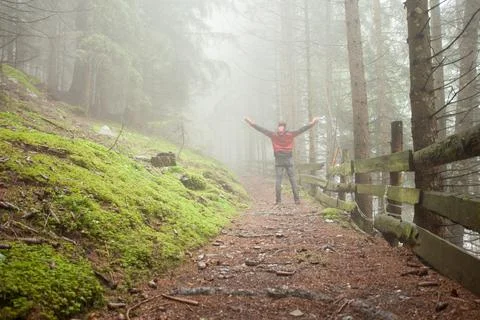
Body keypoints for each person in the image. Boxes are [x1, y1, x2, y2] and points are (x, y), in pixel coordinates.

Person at [244, 116, 320, 205]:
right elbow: (302, 129)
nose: (279, 128)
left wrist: (252, 124)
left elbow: (261, 129)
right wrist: (312, 123)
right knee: (292, 180)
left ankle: (278, 201)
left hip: (279, 160)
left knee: (278, 180)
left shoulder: (273, 134)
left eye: (280, 126)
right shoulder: (290, 134)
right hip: (289, 159)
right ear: (285, 127)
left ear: (280, 127)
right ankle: (297, 200)